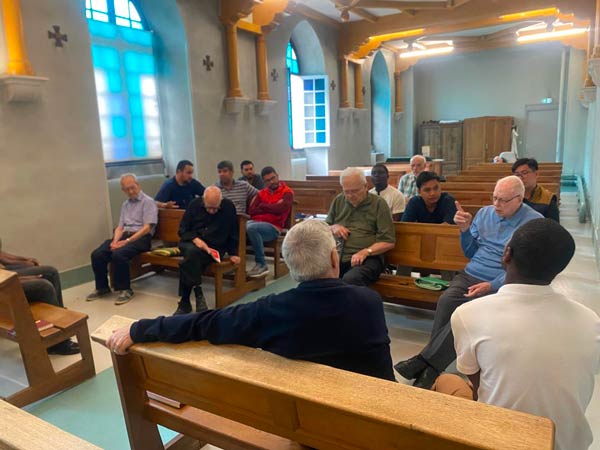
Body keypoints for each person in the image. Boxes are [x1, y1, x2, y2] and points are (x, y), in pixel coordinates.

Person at [106, 219, 395, 381]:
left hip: (304, 421)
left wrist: (140, 329)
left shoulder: (270, 310)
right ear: (334, 258)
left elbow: (206, 322)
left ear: (291, 268)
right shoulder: (368, 302)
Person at [434, 218, 600, 450]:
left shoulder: (469, 313)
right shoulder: (591, 322)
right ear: (559, 268)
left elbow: (480, 387)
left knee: (446, 380)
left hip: (499, 441)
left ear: (507, 254)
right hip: (568, 444)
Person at [394, 176, 543, 389]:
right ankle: (431, 364)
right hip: (470, 274)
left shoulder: (533, 223)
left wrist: (491, 285)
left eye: (503, 200)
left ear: (519, 199)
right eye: (494, 198)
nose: (496, 204)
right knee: (447, 300)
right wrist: (464, 230)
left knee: (465, 314)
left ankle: (427, 365)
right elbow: (470, 252)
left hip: (501, 282)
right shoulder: (485, 214)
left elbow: (523, 268)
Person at [87, 174, 158, 305]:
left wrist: (127, 241)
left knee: (119, 254)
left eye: (132, 187)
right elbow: (120, 227)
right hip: (125, 235)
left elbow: (147, 228)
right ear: (123, 190)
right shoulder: (125, 204)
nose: (130, 191)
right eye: (127, 189)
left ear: (138, 185)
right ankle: (102, 288)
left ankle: (125, 289)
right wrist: (115, 241)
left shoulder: (148, 202)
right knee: (97, 254)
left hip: (141, 238)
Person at [0, 244, 79, 355]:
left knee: (50, 272)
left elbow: (1, 255)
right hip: (2, 283)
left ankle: (61, 327)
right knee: (43, 286)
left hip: (4, 273)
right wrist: (23, 279)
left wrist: (24, 260)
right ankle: (56, 343)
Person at [174, 186, 240, 315]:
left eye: (215, 208)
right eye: (208, 207)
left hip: (214, 247)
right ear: (203, 201)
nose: (211, 211)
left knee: (189, 260)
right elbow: (182, 230)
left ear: (220, 202)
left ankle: (185, 301)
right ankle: (198, 293)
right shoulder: (194, 205)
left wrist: (233, 253)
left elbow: (233, 231)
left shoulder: (228, 207)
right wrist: (195, 239)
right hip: (191, 242)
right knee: (192, 253)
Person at [325, 167, 395, 286]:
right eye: (347, 192)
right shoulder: (339, 200)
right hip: (338, 256)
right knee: (316, 277)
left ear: (365, 186)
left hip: (368, 258)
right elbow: (325, 226)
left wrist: (366, 251)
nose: (350, 196)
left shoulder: (379, 204)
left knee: (351, 279)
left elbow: (388, 241)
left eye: (355, 191)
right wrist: (333, 227)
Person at [246, 166, 294, 278]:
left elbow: (280, 209)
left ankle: (262, 264)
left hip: (274, 227)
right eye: (268, 180)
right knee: (242, 226)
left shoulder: (287, 192)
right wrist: (272, 206)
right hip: (257, 223)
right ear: (264, 182)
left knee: (251, 228)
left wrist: (262, 206)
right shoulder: (261, 193)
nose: (271, 182)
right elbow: (251, 211)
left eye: (273, 178)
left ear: (277, 176)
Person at [511, 158, 559, 222]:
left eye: (524, 173)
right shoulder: (510, 195)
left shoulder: (547, 198)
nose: (520, 177)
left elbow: (553, 225)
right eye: (517, 175)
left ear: (536, 174)